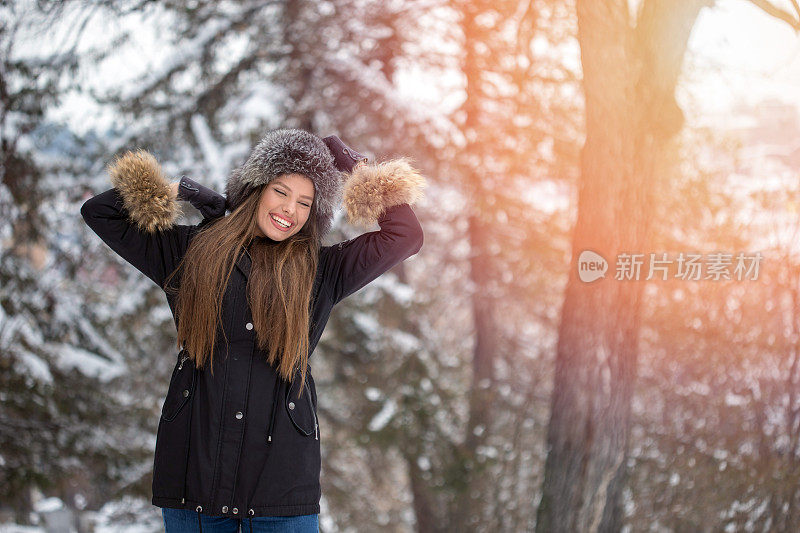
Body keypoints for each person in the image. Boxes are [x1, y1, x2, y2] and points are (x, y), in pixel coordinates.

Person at [80, 129, 425, 532]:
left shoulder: (323, 271)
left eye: (304, 202)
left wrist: (356, 168)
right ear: (256, 188)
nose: (289, 210)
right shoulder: (190, 251)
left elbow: (406, 235)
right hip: (195, 473)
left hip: (281, 486)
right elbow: (99, 213)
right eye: (281, 191)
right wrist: (184, 192)